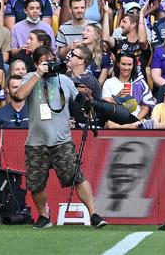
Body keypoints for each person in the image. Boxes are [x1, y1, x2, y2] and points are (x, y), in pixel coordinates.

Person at [12, 46, 107, 229]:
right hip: (36, 142)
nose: (49, 65)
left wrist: (87, 102)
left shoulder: (64, 79)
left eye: (51, 61)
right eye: (44, 62)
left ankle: (94, 214)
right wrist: (38, 74)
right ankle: (44, 216)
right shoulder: (29, 78)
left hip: (62, 141)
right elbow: (20, 95)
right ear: (37, 63)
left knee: (77, 177)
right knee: (36, 183)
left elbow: (78, 103)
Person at [102, 53, 155, 121]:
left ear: (133, 65)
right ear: (118, 64)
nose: (126, 68)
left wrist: (135, 120)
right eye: (123, 64)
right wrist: (118, 96)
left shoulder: (139, 83)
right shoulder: (109, 82)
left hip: (135, 121)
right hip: (114, 120)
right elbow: (106, 105)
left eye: (129, 64)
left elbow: (146, 106)